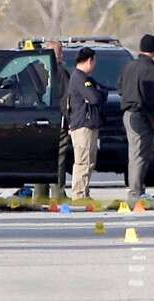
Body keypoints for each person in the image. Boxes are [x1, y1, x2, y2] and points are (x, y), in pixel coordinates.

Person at [119, 34, 154, 202]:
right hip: (139, 116)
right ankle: (135, 193)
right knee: (139, 154)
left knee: (138, 152)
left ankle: (139, 189)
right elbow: (153, 99)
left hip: (128, 113)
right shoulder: (150, 69)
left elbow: (120, 87)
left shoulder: (129, 66)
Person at [67, 47, 108, 200]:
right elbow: (95, 98)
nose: (95, 64)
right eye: (94, 61)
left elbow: (102, 92)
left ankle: (85, 192)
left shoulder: (86, 79)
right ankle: (78, 195)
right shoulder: (79, 78)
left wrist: (97, 92)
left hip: (89, 125)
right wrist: (96, 93)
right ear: (90, 61)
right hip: (82, 125)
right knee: (83, 162)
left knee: (90, 162)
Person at [34, 41, 71, 202]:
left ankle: (39, 195)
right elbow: (66, 98)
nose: (62, 55)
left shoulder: (34, 70)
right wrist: (67, 120)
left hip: (37, 121)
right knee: (58, 160)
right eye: (60, 52)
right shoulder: (61, 72)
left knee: (41, 158)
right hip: (56, 121)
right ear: (58, 55)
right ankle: (58, 194)